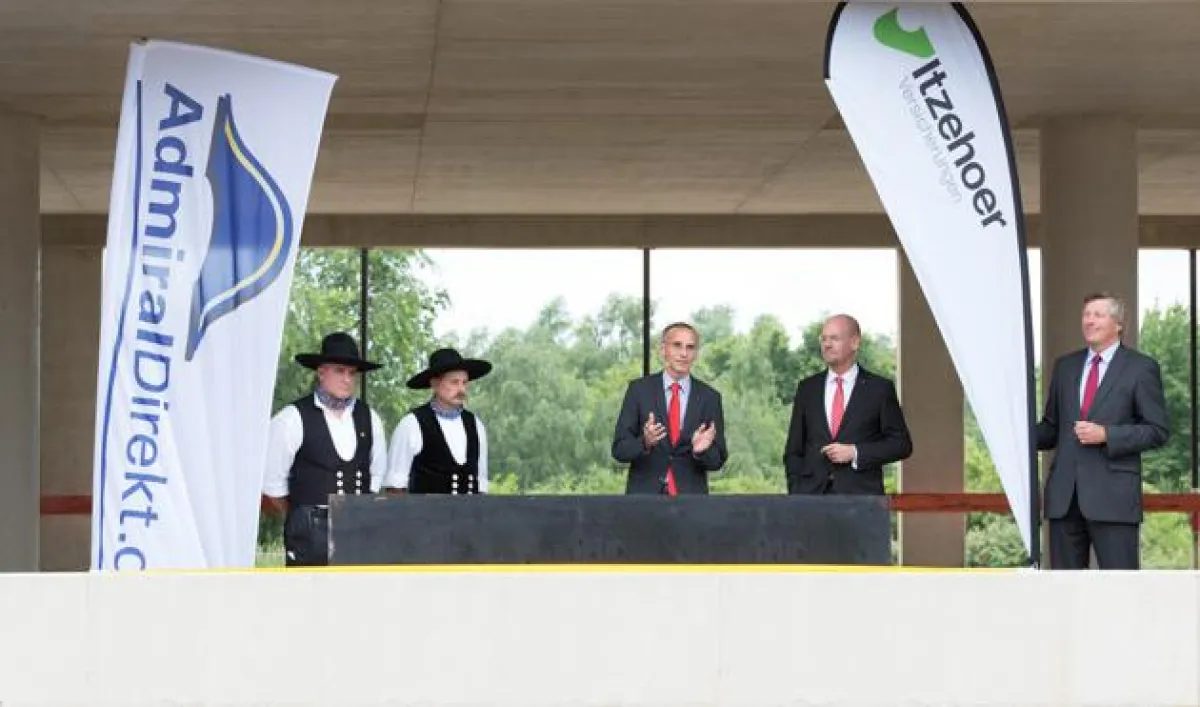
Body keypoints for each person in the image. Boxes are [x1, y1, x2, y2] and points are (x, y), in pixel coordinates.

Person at [1037, 292, 1169, 570]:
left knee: (1121, 592)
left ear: (1118, 324)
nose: (1089, 321)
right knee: (1065, 593)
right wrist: (1015, 434)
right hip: (1064, 500)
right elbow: (1051, 429)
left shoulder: (1141, 368)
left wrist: (1108, 435)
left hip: (1114, 500)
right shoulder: (1065, 367)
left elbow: (1157, 431)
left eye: (1098, 315)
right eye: (1086, 315)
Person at [263, 332, 388, 567]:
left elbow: (376, 474)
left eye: (352, 373)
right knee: (309, 602)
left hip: (358, 532)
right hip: (309, 538)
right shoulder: (292, 418)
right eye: (339, 371)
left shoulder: (369, 418)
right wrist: (304, 515)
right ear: (321, 372)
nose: (347, 379)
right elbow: (273, 486)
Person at [783, 314, 912, 495]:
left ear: (855, 342)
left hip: (861, 500)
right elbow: (794, 449)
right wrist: (796, 490)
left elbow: (901, 444)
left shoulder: (879, 389)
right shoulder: (808, 389)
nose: (827, 344)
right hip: (811, 500)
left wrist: (856, 452)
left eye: (834, 338)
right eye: (824, 339)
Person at [611, 322, 727, 494]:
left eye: (690, 347)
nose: (683, 353)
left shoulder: (709, 397)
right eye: (677, 345)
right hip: (645, 500)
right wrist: (645, 442)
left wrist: (702, 451)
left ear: (695, 354)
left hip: (690, 503)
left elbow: (717, 460)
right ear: (663, 350)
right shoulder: (639, 391)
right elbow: (619, 450)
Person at [383, 348, 492, 495]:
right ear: (435, 383)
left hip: (469, 517)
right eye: (454, 382)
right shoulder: (412, 423)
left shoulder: (475, 425)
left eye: (464, 383)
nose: (461, 389)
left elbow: (481, 484)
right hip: (425, 517)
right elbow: (395, 486)